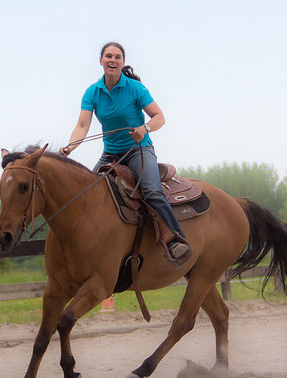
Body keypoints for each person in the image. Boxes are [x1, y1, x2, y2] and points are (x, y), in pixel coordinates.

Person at [61, 41, 190, 261]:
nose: (112, 60)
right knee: (87, 195)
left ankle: (176, 239)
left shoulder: (135, 88)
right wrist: (69, 148)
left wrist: (144, 128)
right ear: (100, 61)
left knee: (151, 190)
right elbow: (82, 126)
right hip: (110, 154)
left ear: (123, 62)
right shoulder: (92, 92)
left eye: (117, 57)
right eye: (108, 56)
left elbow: (159, 117)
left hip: (139, 150)